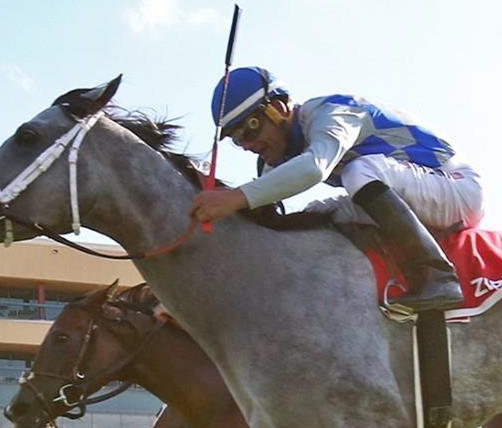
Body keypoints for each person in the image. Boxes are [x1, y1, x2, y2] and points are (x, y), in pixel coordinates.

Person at [188, 67, 476, 312]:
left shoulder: (331, 114)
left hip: (457, 188)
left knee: (358, 171)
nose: (249, 145)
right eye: (238, 140)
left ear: (278, 109)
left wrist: (235, 197)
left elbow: (315, 168)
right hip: (409, 193)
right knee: (314, 216)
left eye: (251, 128)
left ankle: (437, 276)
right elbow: (264, 217)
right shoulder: (274, 160)